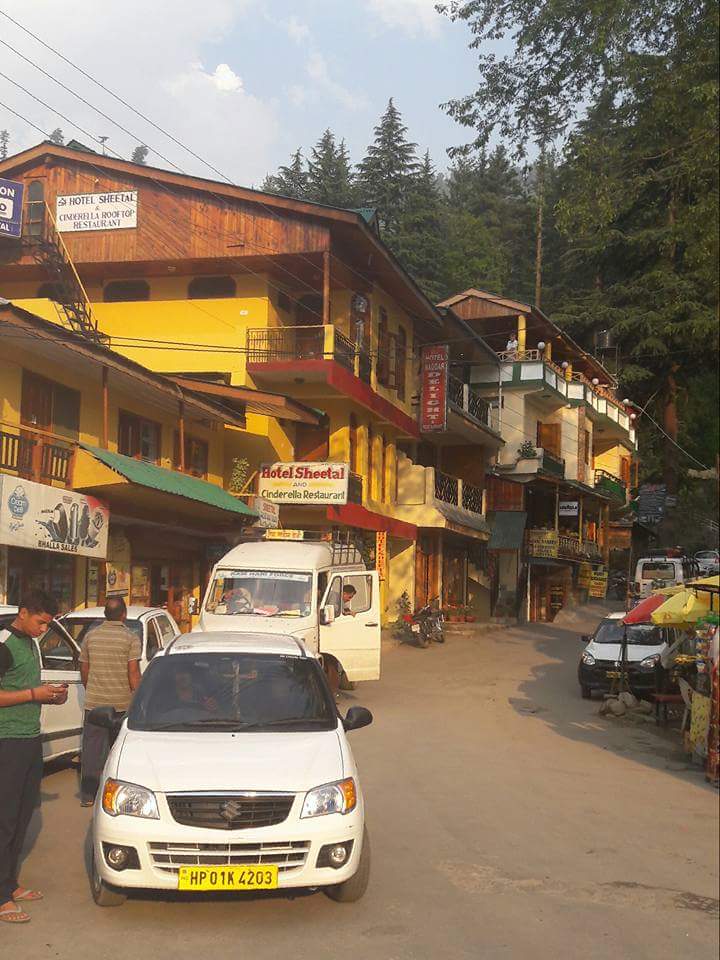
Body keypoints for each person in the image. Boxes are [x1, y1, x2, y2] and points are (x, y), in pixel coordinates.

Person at [0, 590, 68, 925]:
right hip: (6, 741)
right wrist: (32, 694)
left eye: (47, 625)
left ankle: (9, 884)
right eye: (41, 622)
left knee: (23, 815)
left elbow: (23, 688)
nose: (43, 630)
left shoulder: (29, 643)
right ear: (24, 613)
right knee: (5, 819)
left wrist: (50, 696)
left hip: (29, 740)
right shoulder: (4, 643)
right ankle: (1, 897)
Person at [79, 597, 141, 807]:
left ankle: (88, 795)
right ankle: (115, 796)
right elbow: (133, 673)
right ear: (124, 614)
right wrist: (139, 697)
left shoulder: (90, 636)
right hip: (121, 705)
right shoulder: (131, 638)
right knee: (119, 751)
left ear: (105, 614)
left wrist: (91, 689)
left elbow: (84, 669)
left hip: (94, 704)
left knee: (92, 751)